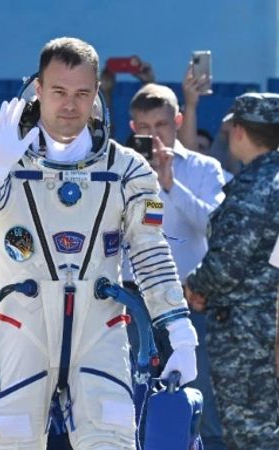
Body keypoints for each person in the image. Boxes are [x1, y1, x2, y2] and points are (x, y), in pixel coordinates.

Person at [0, 37, 198, 449]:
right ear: (37, 90)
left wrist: (180, 333)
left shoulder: (126, 167)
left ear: (97, 93)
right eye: (58, 91)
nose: (70, 105)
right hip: (19, 328)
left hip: (101, 332)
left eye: (82, 93)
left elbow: (150, 253)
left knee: (111, 441)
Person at [124, 83, 227, 449]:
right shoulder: (120, 169)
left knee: (201, 406)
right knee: (132, 407)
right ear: (132, 127)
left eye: (162, 125)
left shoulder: (203, 168)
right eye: (144, 127)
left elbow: (216, 227)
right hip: (133, 307)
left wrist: (170, 185)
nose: (153, 135)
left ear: (178, 121)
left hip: (190, 302)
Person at [184, 92, 279, 450]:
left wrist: (194, 285)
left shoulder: (255, 186)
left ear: (239, 131)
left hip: (249, 335)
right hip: (265, 330)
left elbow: (227, 264)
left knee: (251, 434)